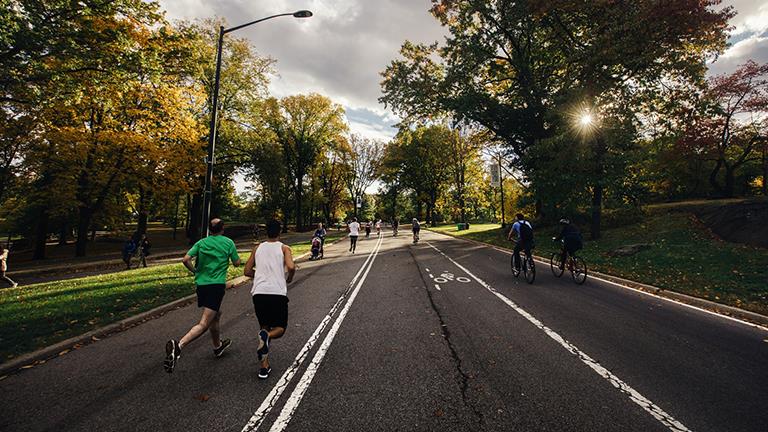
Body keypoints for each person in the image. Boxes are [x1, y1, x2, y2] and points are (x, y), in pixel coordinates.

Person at [164, 218, 242, 373]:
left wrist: (195, 271)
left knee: (216, 315)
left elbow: (186, 259)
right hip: (216, 286)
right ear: (223, 228)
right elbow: (237, 263)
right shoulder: (228, 242)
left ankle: (217, 347)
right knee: (204, 323)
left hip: (201, 286)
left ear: (209, 229)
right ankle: (178, 346)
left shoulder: (201, 243)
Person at [244, 219, 296, 380]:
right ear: (279, 231)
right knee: (280, 328)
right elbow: (291, 267)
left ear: (266, 232)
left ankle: (264, 367)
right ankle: (268, 338)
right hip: (277, 292)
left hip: (259, 293)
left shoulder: (257, 248)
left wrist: (260, 275)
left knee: (264, 328)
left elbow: (247, 271)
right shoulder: (284, 248)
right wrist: (289, 278)